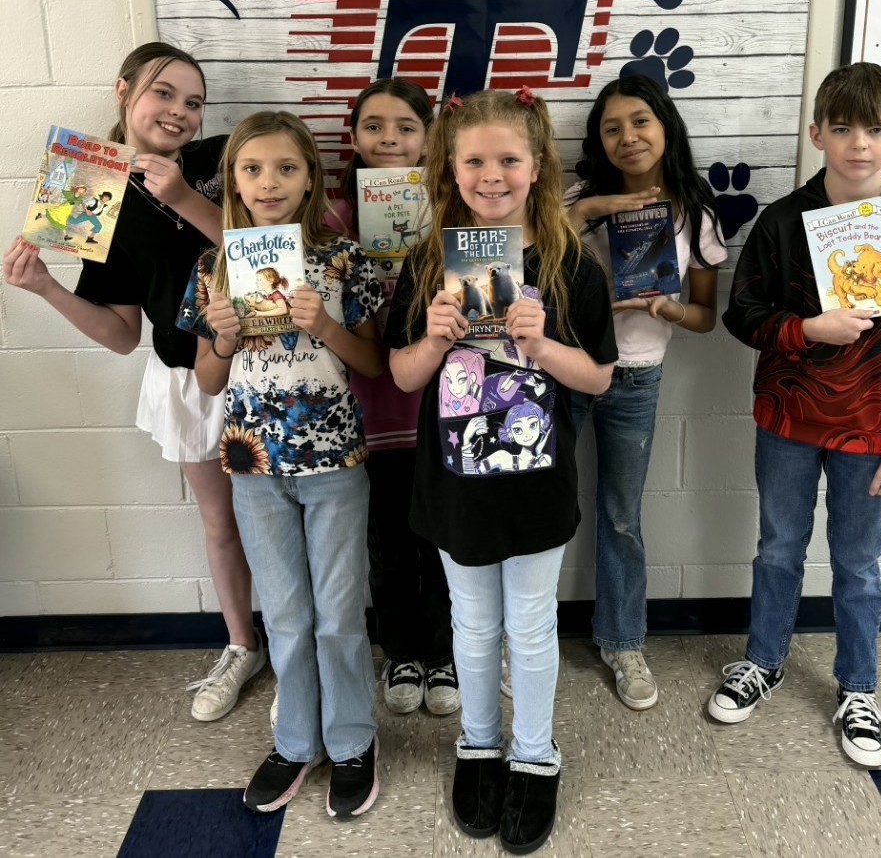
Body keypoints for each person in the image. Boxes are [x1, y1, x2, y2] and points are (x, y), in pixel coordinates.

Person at [385, 88, 617, 853]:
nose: (492, 175)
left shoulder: (565, 262)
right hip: (454, 483)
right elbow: (403, 375)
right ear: (449, 168)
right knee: (473, 625)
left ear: (536, 166)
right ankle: (477, 745)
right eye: (474, 159)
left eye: (508, 159)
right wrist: (433, 337)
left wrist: (542, 344)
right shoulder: (427, 262)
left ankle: (535, 755)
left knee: (530, 623)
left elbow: (599, 377)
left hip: (534, 480)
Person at [3, 42, 263, 722]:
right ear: (124, 91)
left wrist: (181, 196)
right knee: (220, 524)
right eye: (164, 93)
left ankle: (301, 649)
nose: (179, 112)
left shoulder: (219, 161)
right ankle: (242, 644)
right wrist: (45, 288)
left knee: (279, 521)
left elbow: (268, 247)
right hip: (183, 373)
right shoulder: (87, 186)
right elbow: (120, 334)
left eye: (193, 101)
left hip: (267, 368)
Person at [706, 62, 881, 767]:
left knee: (857, 563)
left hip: (870, 430)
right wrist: (806, 328)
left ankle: (858, 686)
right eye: (840, 128)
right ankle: (763, 659)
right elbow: (741, 315)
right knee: (776, 548)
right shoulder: (781, 222)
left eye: (873, 129)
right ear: (815, 133)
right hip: (786, 418)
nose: (857, 144)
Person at [178, 110, 383, 818]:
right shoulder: (213, 267)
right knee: (289, 616)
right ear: (232, 178)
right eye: (253, 168)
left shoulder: (341, 259)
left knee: (337, 615)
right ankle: (297, 739)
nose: (269, 182)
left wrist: (322, 325)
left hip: (333, 460)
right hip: (252, 466)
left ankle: (353, 737)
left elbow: (373, 361)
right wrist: (223, 340)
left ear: (309, 178)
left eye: (286, 168)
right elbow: (207, 381)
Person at [567, 74, 726, 710]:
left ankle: (623, 639)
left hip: (637, 375)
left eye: (640, 122)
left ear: (666, 128)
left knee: (621, 515)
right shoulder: (577, 201)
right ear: (599, 140)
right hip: (568, 369)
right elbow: (522, 260)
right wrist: (593, 212)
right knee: (543, 507)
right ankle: (516, 636)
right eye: (612, 127)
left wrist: (666, 309)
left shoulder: (696, 212)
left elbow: (706, 315)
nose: (628, 137)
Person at [330, 78, 460, 717]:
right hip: (366, 403)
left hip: (440, 404)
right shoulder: (328, 219)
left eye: (406, 126)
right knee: (384, 537)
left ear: (430, 136)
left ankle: (444, 653)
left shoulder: (455, 208)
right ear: (352, 136)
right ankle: (401, 650)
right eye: (375, 126)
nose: (390, 138)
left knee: (438, 537)